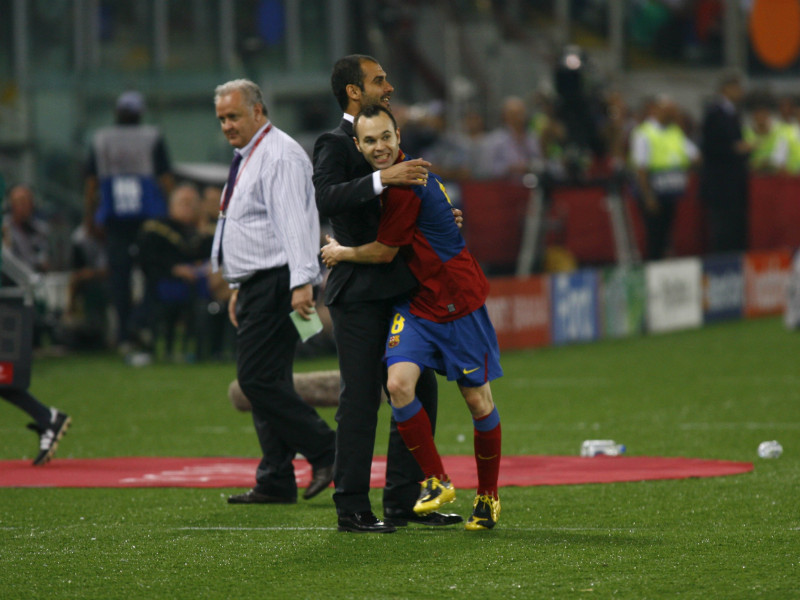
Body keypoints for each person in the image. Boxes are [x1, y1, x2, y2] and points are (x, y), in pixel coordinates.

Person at [321, 104, 503, 530]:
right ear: (359, 146)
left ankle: (488, 497)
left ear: (398, 135)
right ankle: (436, 480)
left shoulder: (407, 183)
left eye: (386, 137)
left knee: (478, 401)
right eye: (370, 141)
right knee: (398, 385)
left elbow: (385, 251)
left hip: (457, 301)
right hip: (416, 302)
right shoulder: (398, 180)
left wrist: (339, 252)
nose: (379, 147)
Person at [313, 54, 461, 533]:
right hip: (357, 292)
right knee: (360, 399)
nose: (389, 86)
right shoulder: (333, 143)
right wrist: (383, 178)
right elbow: (326, 197)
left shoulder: (388, 136)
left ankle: (403, 499)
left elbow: (403, 212)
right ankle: (351, 506)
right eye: (379, 80)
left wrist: (440, 220)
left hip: (400, 288)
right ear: (354, 91)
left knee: (420, 389)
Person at [211, 78, 335, 504]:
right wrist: (237, 285)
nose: (227, 125)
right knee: (272, 378)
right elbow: (250, 227)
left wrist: (303, 281)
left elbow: (296, 223)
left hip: (278, 281)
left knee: (256, 379)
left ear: (258, 112)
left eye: (234, 115)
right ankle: (277, 476)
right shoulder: (252, 154)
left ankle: (325, 448)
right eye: (222, 118)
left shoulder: (278, 155)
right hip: (258, 283)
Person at [84, 90, 174, 353]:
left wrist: (89, 216)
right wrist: (170, 211)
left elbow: (91, 183)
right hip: (149, 216)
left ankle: (124, 333)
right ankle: (140, 322)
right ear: (140, 112)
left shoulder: (101, 139)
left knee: (119, 277)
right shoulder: (152, 136)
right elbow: (165, 178)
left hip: (114, 217)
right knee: (154, 270)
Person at [0, 176, 71, 466]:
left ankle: (47, 416)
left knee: (5, 373)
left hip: (12, 299)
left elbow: (17, 265)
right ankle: (46, 417)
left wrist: (32, 283)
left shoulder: (32, 230)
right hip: (14, 295)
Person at [137, 183, 210, 360]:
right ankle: (163, 347)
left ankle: (205, 349)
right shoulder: (156, 229)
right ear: (171, 204)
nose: (188, 207)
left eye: (193, 203)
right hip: (163, 282)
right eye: (184, 202)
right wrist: (174, 269)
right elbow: (146, 260)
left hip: (199, 283)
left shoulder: (203, 231)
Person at [630, 95, 700, 260]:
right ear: (656, 111)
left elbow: (695, 156)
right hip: (653, 193)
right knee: (654, 235)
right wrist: (648, 196)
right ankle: (652, 270)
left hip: (670, 192)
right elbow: (640, 168)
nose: (673, 114)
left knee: (667, 235)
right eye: (669, 111)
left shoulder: (674, 132)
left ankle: (663, 269)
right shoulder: (644, 133)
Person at [699, 71, 752, 254]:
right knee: (723, 225)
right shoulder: (715, 113)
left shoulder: (732, 112)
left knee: (735, 223)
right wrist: (734, 148)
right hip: (721, 182)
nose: (740, 91)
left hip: (733, 181)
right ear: (726, 89)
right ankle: (722, 263)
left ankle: (735, 258)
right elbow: (710, 146)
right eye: (736, 87)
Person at [2, 184, 51, 273]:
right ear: (10, 205)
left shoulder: (41, 229)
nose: (22, 206)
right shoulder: (4, 228)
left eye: (25, 202)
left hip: (37, 277)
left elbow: (45, 257)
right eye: (18, 202)